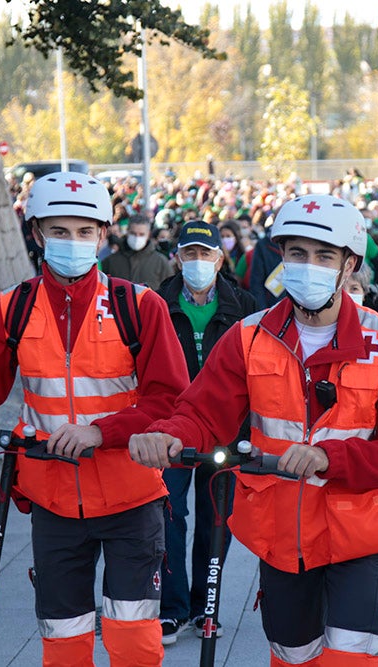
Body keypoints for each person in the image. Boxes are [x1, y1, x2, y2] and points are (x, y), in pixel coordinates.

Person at [129, 194, 378, 667]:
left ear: (349, 264)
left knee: (348, 658)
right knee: (292, 656)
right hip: (282, 535)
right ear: (281, 257)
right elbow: (204, 413)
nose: (308, 266)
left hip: (364, 535)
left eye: (324, 256)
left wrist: (331, 459)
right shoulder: (248, 337)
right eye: (297, 254)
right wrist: (171, 435)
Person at [0, 172, 190, 666]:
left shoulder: (140, 306)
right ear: (38, 234)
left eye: (85, 231)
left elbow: (170, 399)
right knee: (64, 640)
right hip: (52, 498)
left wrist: (100, 431)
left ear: (103, 235)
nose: (74, 242)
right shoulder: (12, 308)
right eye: (60, 232)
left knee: (134, 640)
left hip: (131, 495)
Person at [153, 221, 256, 643]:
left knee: (217, 519)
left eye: (206, 254)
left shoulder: (244, 304)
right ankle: (172, 609)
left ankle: (204, 605)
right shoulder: (158, 302)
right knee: (170, 515)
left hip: (227, 433)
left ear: (220, 258)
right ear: (178, 257)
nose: (198, 262)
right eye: (190, 254)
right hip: (176, 428)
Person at [102, 214, 176, 287]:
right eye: (133, 233)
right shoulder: (110, 261)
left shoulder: (161, 262)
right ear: (127, 232)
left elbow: (169, 290)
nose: (137, 238)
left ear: (148, 234)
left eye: (141, 234)